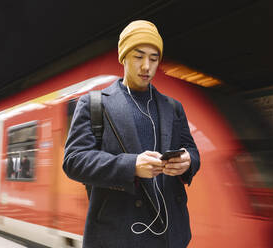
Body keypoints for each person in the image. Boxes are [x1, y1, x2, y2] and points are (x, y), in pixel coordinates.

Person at [63, 20, 200, 248]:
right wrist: (132, 165)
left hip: (170, 236)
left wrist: (188, 161)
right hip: (118, 235)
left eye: (154, 59)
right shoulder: (94, 103)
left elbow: (192, 150)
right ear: (124, 57)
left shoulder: (173, 107)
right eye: (138, 57)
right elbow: (74, 161)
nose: (147, 66)